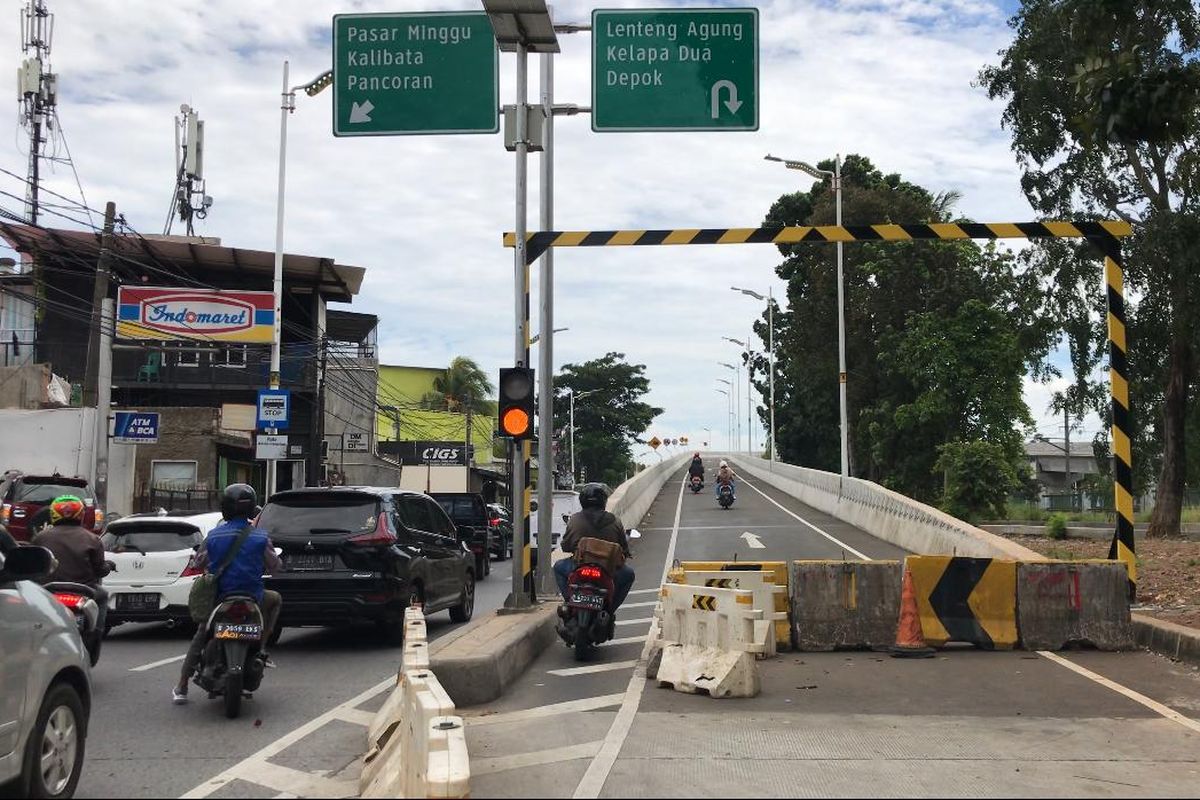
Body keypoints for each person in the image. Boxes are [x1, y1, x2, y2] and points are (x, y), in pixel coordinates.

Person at [173, 483, 283, 705]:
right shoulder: (260, 537)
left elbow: (198, 562)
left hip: (219, 599)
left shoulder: (213, 536)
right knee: (276, 599)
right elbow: (275, 566)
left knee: (201, 635)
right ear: (251, 508)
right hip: (254, 598)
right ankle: (261, 646)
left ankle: (182, 685)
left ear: (226, 508)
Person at [32, 496, 113, 631]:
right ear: (81, 515)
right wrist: (108, 566)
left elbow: (32, 566)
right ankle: (97, 632)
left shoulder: (40, 538)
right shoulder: (92, 539)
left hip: (48, 590)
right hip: (83, 590)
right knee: (103, 596)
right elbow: (99, 570)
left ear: (53, 514)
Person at [554, 482, 635, 610]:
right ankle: (610, 609)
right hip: (607, 569)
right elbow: (622, 548)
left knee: (558, 567)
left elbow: (566, 546)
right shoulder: (615, 521)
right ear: (603, 501)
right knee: (629, 574)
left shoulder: (574, 519)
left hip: (579, 566)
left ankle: (570, 601)